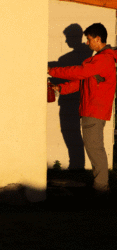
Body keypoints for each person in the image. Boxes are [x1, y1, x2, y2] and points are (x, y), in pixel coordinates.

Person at [48, 23, 117, 196]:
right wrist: (62, 88)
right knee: (94, 147)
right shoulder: (100, 59)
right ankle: (100, 184)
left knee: (95, 149)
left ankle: (101, 187)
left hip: (94, 110)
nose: (87, 43)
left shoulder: (103, 59)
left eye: (89, 39)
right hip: (91, 109)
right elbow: (83, 81)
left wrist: (51, 70)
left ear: (98, 39)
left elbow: (79, 72)